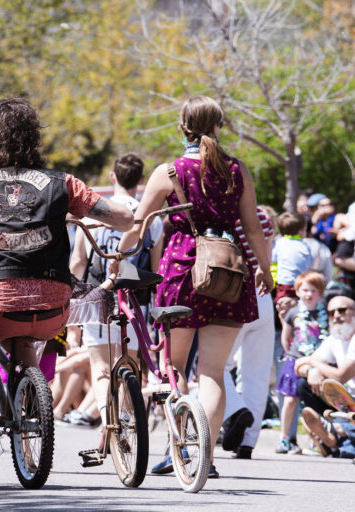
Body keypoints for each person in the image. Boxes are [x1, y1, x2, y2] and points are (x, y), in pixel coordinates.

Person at [0, 97, 133, 438]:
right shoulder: (63, 183)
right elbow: (123, 219)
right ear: (33, 140)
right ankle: (33, 396)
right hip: (53, 310)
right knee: (27, 333)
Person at [111, 96, 273, 478]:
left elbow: (138, 225)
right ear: (219, 125)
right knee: (213, 373)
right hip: (228, 271)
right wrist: (266, 270)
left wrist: (118, 257)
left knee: (174, 366)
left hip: (183, 270)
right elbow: (253, 229)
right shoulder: (237, 170)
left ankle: (179, 448)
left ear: (183, 127)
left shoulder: (170, 172)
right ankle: (206, 457)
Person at [69, 153, 164, 435]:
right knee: (130, 365)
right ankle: (123, 420)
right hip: (135, 299)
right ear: (142, 180)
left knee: (100, 367)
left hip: (97, 296)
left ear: (113, 177)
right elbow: (155, 267)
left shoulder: (95, 213)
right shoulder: (150, 217)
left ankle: (106, 420)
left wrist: (72, 298)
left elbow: (78, 262)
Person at [219, 205, 276, 459]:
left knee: (216, 366)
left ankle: (236, 410)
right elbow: (268, 254)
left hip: (233, 292)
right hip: (262, 293)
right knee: (257, 372)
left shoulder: (223, 213)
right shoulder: (263, 216)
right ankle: (248, 442)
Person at [276, 271, 328, 454]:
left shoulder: (325, 313)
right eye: (305, 290)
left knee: (316, 400)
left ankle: (318, 438)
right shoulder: (294, 312)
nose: (309, 294)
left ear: (320, 293)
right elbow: (286, 337)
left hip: (319, 362)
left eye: (313, 290)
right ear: (297, 292)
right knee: (290, 400)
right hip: (295, 359)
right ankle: (284, 437)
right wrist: (290, 354)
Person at [294, 294, 355, 414]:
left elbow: (340, 377)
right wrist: (311, 371)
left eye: (342, 310)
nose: (336, 315)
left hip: (350, 397)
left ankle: (339, 423)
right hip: (349, 398)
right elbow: (298, 366)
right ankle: (332, 422)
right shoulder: (335, 339)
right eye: (331, 313)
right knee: (304, 384)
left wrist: (311, 361)